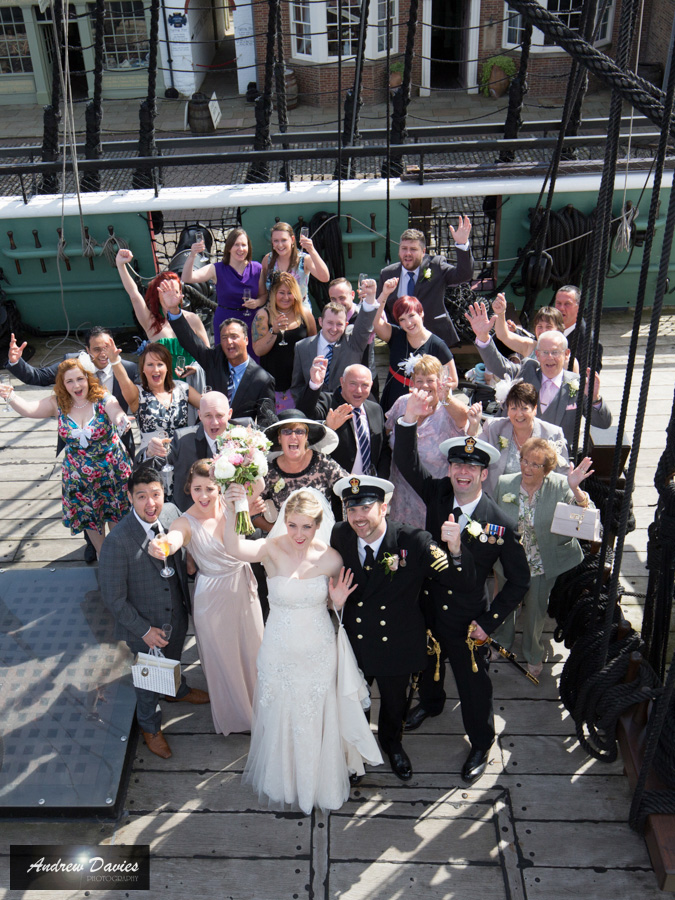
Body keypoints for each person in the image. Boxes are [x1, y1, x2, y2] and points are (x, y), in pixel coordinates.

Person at [222, 485, 381, 814]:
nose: (298, 533)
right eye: (293, 524)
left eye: (306, 526)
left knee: (314, 716)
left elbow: (338, 603)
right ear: (283, 520)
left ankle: (317, 784)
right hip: (278, 650)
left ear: (318, 524)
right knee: (280, 712)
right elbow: (235, 547)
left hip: (318, 652)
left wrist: (337, 603)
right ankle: (284, 780)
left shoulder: (332, 557)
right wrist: (232, 508)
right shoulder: (270, 548)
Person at [394, 414, 530, 785]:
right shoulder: (439, 493)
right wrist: (408, 419)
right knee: (427, 663)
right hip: (429, 606)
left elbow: (519, 581)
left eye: (472, 466)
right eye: (457, 464)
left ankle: (482, 743)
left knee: (473, 685)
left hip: (468, 618)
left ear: (484, 474)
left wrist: (489, 624)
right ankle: (432, 704)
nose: (463, 472)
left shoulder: (500, 524)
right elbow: (407, 464)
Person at [330, 475, 476, 781]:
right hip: (355, 642)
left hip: (396, 641)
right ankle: (356, 752)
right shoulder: (339, 535)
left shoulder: (414, 541)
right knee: (354, 699)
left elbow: (460, 581)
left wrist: (456, 548)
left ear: (384, 508)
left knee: (395, 703)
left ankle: (391, 744)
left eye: (366, 508)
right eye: (351, 509)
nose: (358, 517)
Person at [99, 467, 209, 759]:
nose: (151, 504)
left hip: (176, 615)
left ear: (164, 494)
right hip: (143, 629)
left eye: (156, 495)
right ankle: (150, 726)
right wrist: (144, 631)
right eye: (141, 496)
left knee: (174, 656)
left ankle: (177, 689)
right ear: (130, 498)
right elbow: (113, 598)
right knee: (147, 682)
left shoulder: (172, 514)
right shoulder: (117, 542)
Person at [148, 460, 264, 734]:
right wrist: (163, 545)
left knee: (254, 650)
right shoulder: (184, 521)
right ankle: (239, 718)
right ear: (188, 488)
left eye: (210, 489)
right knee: (225, 660)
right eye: (197, 488)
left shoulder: (231, 504)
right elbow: (174, 538)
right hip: (212, 599)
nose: (203, 496)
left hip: (243, 589)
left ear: (220, 488)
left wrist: (244, 455)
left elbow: (258, 483)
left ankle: (262, 708)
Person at [4, 327, 137, 561]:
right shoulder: (59, 403)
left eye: (80, 379)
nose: (76, 385)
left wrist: (121, 419)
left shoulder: (102, 395)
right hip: (80, 480)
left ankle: (121, 564)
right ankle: (102, 560)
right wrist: (10, 396)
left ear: (88, 378)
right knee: (97, 536)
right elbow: (29, 408)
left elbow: (115, 409)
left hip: (111, 474)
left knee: (119, 535)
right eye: (70, 381)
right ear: (63, 384)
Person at [493, 438, 594, 676]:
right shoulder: (505, 483)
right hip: (509, 562)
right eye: (524, 461)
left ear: (547, 469)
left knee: (536, 613)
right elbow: (493, 519)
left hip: (541, 563)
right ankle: (500, 641)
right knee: (505, 606)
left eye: (535, 464)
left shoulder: (561, 485)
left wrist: (576, 490)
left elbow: (585, 521)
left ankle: (533, 652)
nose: (527, 468)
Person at [466, 302, 612, 447]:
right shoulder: (527, 370)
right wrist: (483, 337)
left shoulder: (577, 384)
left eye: (555, 352)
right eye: (544, 352)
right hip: (515, 451)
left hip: (555, 459)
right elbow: (499, 365)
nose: (550, 357)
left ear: (566, 354)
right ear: (537, 354)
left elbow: (603, 423)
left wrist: (595, 399)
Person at [159, 279, 276, 422]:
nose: (229, 342)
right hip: (206, 435)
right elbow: (190, 341)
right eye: (224, 337)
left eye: (234, 337)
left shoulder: (262, 379)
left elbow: (266, 422)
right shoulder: (214, 360)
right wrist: (173, 310)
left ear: (246, 340)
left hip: (239, 440)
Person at [385, 354, 474, 529]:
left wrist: (446, 397)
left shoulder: (447, 409)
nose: (424, 385)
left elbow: (465, 417)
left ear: (440, 382)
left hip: (431, 495)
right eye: (419, 380)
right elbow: (387, 432)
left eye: (430, 380)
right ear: (412, 382)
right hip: (401, 494)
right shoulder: (402, 403)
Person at [115, 249, 210, 392]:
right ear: (157, 294)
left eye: (175, 291)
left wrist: (196, 368)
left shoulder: (193, 319)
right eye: (165, 291)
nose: (170, 295)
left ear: (181, 295)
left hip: (192, 384)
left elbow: (208, 355)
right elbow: (134, 295)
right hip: (162, 386)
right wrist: (121, 265)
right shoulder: (150, 321)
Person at [377, 222, 474, 349]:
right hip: (401, 342)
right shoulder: (387, 274)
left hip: (435, 338)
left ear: (423, 252)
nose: (408, 253)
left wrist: (462, 245)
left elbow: (464, 275)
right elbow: (382, 309)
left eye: (413, 249)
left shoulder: (436, 265)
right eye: (404, 248)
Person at [370, 279, 458, 413]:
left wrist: (439, 388)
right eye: (402, 319)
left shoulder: (438, 345)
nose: (408, 323)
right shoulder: (395, 335)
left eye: (411, 316)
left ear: (421, 313)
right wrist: (385, 294)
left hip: (424, 402)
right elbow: (375, 322)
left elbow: (454, 381)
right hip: (394, 396)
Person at [470, 382, 569, 496]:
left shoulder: (552, 434)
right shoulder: (494, 427)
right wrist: (473, 426)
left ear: (535, 409)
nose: (519, 414)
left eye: (524, 408)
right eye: (514, 408)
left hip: (538, 500)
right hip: (497, 499)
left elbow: (563, 476)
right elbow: (473, 454)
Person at [180, 228, 266, 355]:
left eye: (243, 245)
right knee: (226, 360)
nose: (240, 249)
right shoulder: (216, 269)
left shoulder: (257, 268)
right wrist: (193, 255)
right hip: (225, 322)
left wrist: (257, 302)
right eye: (236, 245)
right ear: (229, 247)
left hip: (250, 321)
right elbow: (187, 278)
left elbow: (264, 295)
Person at [256, 410, 346, 531]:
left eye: (299, 432)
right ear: (279, 439)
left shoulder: (322, 463)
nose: (293, 436)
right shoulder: (269, 471)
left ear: (306, 437)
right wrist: (277, 532)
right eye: (287, 432)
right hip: (285, 544)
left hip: (321, 540)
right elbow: (252, 511)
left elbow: (348, 487)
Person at [296, 363, 391, 477]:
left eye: (365, 385)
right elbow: (303, 413)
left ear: (371, 385)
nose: (359, 390)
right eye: (353, 384)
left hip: (370, 485)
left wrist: (380, 480)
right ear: (342, 382)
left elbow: (383, 449)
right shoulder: (327, 403)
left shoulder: (375, 409)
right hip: (335, 485)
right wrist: (315, 384)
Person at [108, 340, 201, 451]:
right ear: (143, 368)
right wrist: (115, 361)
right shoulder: (138, 394)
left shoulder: (182, 388)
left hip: (181, 456)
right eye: (150, 364)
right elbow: (123, 380)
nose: (155, 369)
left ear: (167, 367)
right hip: (152, 458)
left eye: (160, 364)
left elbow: (208, 405)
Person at [290, 299, 378, 404]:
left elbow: (364, 325)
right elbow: (297, 385)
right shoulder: (302, 347)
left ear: (346, 324)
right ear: (320, 321)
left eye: (339, 324)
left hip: (346, 408)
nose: (334, 329)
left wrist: (370, 297)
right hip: (315, 410)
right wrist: (307, 406)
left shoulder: (352, 342)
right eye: (330, 323)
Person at [252, 272, 317, 411]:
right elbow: (258, 350)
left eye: (290, 293)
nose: (286, 297)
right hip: (273, 383)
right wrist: (273, 331)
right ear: (274, 293)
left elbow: (314, 346)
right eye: (281, 292)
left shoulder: (305, 315)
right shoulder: (263, 315)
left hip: (299, 382)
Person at [489, 294, 578, 371]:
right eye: (540, 327)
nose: (543, 331)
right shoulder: (530, 346)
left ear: (559, 330)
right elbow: (503, 335)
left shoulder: (569, 360)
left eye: (548, 327)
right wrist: (500, 313)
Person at [260, 221, 330, 308]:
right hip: (274, 309)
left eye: (284, 240)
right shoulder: (268, 259)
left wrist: (312, 250)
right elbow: (262, 289)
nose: (280, 245)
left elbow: (325, 278)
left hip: (299, 309)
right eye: (276, 241)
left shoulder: (304, 260)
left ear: (292, 240)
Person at [328, 276, 378, 388]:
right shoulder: (329, 318)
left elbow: (379, 321)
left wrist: (371, 299)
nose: (338, 303)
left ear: (352, 295)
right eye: (333, 299)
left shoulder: (364, 314)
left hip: (365, 378)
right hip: (340, 381)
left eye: (342, 298)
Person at [555, 284, 603, 371]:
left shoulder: (590, 343)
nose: (561, 308)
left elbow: (588, 380)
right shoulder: (545, 331)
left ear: (579, 307)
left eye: (567, 304)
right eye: (558, 303)